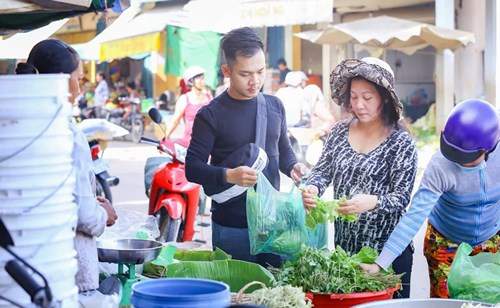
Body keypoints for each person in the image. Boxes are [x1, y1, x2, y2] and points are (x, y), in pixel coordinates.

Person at [185, 27, 307, 267]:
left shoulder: (274, 106)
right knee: (238, 299)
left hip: (272, 223)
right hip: (231, 227)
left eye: (260, 71)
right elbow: (192, 168)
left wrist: (294, 167)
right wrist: (229, 175)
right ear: (227, 71)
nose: (255, 81)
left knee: (277, 296)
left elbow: (282, 153)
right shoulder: (210, 115)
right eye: (245, 74)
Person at [301, 57, 418, 298]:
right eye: (354, 97)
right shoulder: (339, 132)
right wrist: (312, 188)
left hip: (388, 253)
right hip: (348, 253)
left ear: (384, 97)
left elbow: (402, 198)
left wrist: (373, 201)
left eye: (367, 97)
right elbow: (322, 171)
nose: (359, 104)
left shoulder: (401, 143)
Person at [360, 99, 500, 299]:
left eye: (466, 160)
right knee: (446, 302)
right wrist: (381, 263)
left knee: (488, 299)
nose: (458, 164)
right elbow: (414, 217)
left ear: (488, 149)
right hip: (446, 242)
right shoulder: (440, 166)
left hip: (491, 239)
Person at [15, 39, 118, 292]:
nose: (81, 90)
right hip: (67, 267)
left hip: (24, 263)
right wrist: (104, 215)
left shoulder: (16, 123)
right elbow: (84, 217)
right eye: (79, 80)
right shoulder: (66, 132)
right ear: (62, 81)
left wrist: (92, 203)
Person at [163, 66, 213, 143]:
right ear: (191, 81)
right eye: (200, 79)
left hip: (209, 143)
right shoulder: (185, 99)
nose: (203, 81)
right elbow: (175, 121)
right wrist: (165, 137)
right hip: (190, 144)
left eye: (203, 78)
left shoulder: (209, 97)